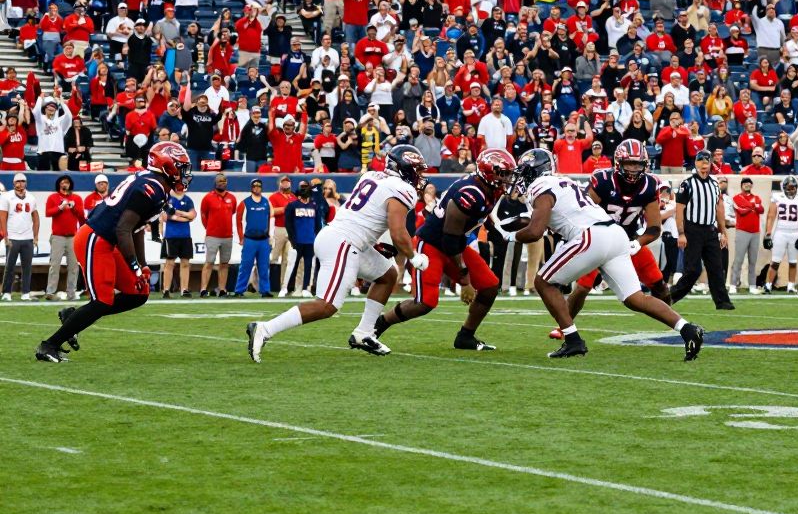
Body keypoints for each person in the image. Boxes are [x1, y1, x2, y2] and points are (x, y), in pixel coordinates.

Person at [505, 148, 704, 360]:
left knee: (543, 282)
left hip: (591, 236)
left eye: (525, 172)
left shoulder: (540, 185)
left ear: (534, 171)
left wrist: (510, 237)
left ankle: (573, 341)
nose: (522, 178)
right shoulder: (564, 182)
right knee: (635, 298)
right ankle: (687, 329)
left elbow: (536, 232)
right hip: (616, 235)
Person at [248, 146, 431, 361]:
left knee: (388, 275)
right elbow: (398, 232)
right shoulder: (401, 188)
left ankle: (364, 333)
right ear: (404, 168)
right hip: (343, 242)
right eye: (416, 170)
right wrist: (413, 257)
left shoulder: (372, 175)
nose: (420, 176)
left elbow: (367, 213)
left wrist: (373, 243)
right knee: (327, 306)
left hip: (344, 238)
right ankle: (265, 329)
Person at [35, 142, 192, 362]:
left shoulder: (155, 185)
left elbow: (136, 229)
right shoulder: (151, 188)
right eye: (181, 168)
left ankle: (74, 317)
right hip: (95, 238)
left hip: (111, 242)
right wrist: (134, 267)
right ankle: (49, 345)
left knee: (139, 294)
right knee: (102, 300)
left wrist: (142, 266)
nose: (185, 173)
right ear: (167, 167)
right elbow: (123, 228)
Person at [374, 147, 516, 351]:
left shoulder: (489, 188)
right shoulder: (470, 193)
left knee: (489, 286)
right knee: (424, 303)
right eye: (504, 173)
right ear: (490, 172)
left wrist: (499, 229)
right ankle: (378, 325)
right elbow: (450, 239)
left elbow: (475, 220)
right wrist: (465, 280)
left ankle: (466, 336)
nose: (508, 178)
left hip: (456, 242)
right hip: (432, 243)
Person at [555, 141, 669, 340]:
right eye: (629, 164)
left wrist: (638, 242)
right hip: (598, 239)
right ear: (618, 162)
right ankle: (564, 328)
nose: (634, 169)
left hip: (628, 242)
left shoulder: (650, 185)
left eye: (638, 164)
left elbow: (654, 228)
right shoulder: (604, 180)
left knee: (659, 284)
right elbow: (583, 210)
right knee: (582, 287)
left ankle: (670, 320)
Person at [670, 150, 733, 310]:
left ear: (711, 163)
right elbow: (679, 209)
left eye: (706, 162)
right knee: (693, 269)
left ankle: (722, 302)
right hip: (693, 230)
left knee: (716, 267)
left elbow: (719, 209)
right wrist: (681, 233)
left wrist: (722, 231)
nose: (704, 165)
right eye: (701, 162)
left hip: (710, 230)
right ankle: (670, 297)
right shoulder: (688, 184)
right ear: (696, 163)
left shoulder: (714, 184)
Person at [763, 175, 798, 295]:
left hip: (795, 232)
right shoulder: (777, 197)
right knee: (775, 261)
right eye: (788, 188)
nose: (790, 190)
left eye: (792, 188)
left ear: (796, 187)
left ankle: (791, 286)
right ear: (783, 188)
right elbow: (771, 216)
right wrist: (768, 234)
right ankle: (768, 285)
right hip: (780, 232)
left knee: (793, 261)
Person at [44, 174, 85, 301]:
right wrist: (60, 208)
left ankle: (71, 293)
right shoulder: (53, 197)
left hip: (73, 236)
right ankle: (50, 292)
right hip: (57, 236)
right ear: (59, 184)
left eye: (66, 182)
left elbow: (82, 216)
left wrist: (74, 208)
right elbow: (48, 213)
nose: (64, 184)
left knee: (73, 266)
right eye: (62, 182)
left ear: (70, 184)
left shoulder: (76, 198)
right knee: (54, 265)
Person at [0, 172, 39, 301]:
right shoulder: (7, 197)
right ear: (13, 183)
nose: (20, 183)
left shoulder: (31, 197)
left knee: (27, 266)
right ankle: (6, 292)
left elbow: (36, 217)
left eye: (22, 181)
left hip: (27, 237)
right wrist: (6, 236)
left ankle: (26, 292)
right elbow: (3, 217)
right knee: (10, 266)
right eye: (18, 181)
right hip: (12, 236)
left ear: (26, 183)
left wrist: (36, 236)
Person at [233, 179, 273, 298]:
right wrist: (241, 237)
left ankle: (265, 291)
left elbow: (269, 220)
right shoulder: (245, 203)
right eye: (254, 186)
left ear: (261, 188)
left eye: (259, 186)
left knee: (264, 266)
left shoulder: (266, 202)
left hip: (263, 240)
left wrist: (269, 235)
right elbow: (238, 221)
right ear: (251, 188)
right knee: (245, 266)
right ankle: (239, 290)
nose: (256, 187)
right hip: (250, 240)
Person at [199, 173, 236, 297]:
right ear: (215, 182)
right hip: (212, 236)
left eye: (224, 180)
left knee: (224, 263)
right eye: (220, 180)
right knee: (209, 262)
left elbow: (233, 212)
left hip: (227, 236)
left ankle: (222, 289)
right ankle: (203, 289)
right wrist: (209, 228)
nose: (222, 182)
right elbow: (204, 215)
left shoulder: (232, 197)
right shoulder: (208, 198)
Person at [160, 184, 196, 297]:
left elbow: (193, 215)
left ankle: (184, 289)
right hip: (171, 236)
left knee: (185, 263)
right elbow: (165, 217)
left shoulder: (188, 200)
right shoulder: (168, 199)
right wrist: (184, 218)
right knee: (169, 263)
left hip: (185, 236)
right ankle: (166, 290)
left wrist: (177, 213)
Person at [282, 181, 317, 297]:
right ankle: (286, 288)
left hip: (310, 241)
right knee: (292, 265)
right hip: (297, 241)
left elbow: (317, 224)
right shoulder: (292, 206)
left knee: (308, 266)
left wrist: (316, 237)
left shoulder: (314, 206)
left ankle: (306, 288)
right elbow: (288, 223)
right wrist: (292, 239)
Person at [730, 177, 764, 294]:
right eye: (745, 183)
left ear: (751, 185)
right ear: (741, 186)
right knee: (738, 260)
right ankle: (733, 284)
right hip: (742, 231)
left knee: (753, 260)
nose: (747, 185)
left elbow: (761, 210)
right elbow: (741, 210)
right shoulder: (736, 198)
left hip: (755, 232)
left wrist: (750, 206)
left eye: (749, 183)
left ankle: (752, 285)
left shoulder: (757, 197)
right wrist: (753, 206)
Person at [269, 175, 296, 292]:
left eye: (287, 182)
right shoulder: (274, 197)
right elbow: (271, 211)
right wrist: (285, 209)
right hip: (279, 229)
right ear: (279, 184)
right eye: (283, 182)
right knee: (273, 257)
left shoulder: (294, 197)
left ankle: (283, 286)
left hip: (291, 229)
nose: (285, 184)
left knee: (287, 259)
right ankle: (264, 284)